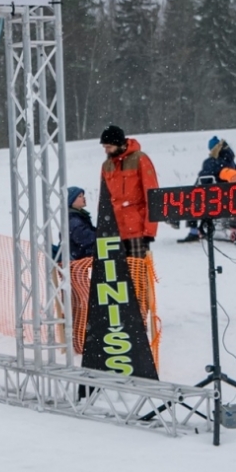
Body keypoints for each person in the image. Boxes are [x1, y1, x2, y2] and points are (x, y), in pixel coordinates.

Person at [99, 125, 158, 257]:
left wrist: (150, 230)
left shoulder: (140, 159)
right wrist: (103, 227)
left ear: (118, 143)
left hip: (137, 229)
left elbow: (152, 196)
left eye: (109, 147)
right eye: (105, 148)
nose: (106, 151)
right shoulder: (106, 165)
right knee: (118, 276)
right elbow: (104, 200)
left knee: (139, 274)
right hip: (114, 231)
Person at [181, 136, 236, 242]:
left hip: (214, 194)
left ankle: (193, 231)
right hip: (228, 193)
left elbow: (204, 177)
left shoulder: (212, 162)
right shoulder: (231, 161)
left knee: (192, 199)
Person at [67, 186, 97, 355]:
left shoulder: (78, 217)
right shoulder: (73, 219)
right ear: (71, 201)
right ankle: (81, 340)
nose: (83, 199)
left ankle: (82, 338)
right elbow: (84, 238)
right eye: (80, 196)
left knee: (81, 301)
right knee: (82, 302)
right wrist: (101, 235)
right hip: (75, 264)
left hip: (78, 264)